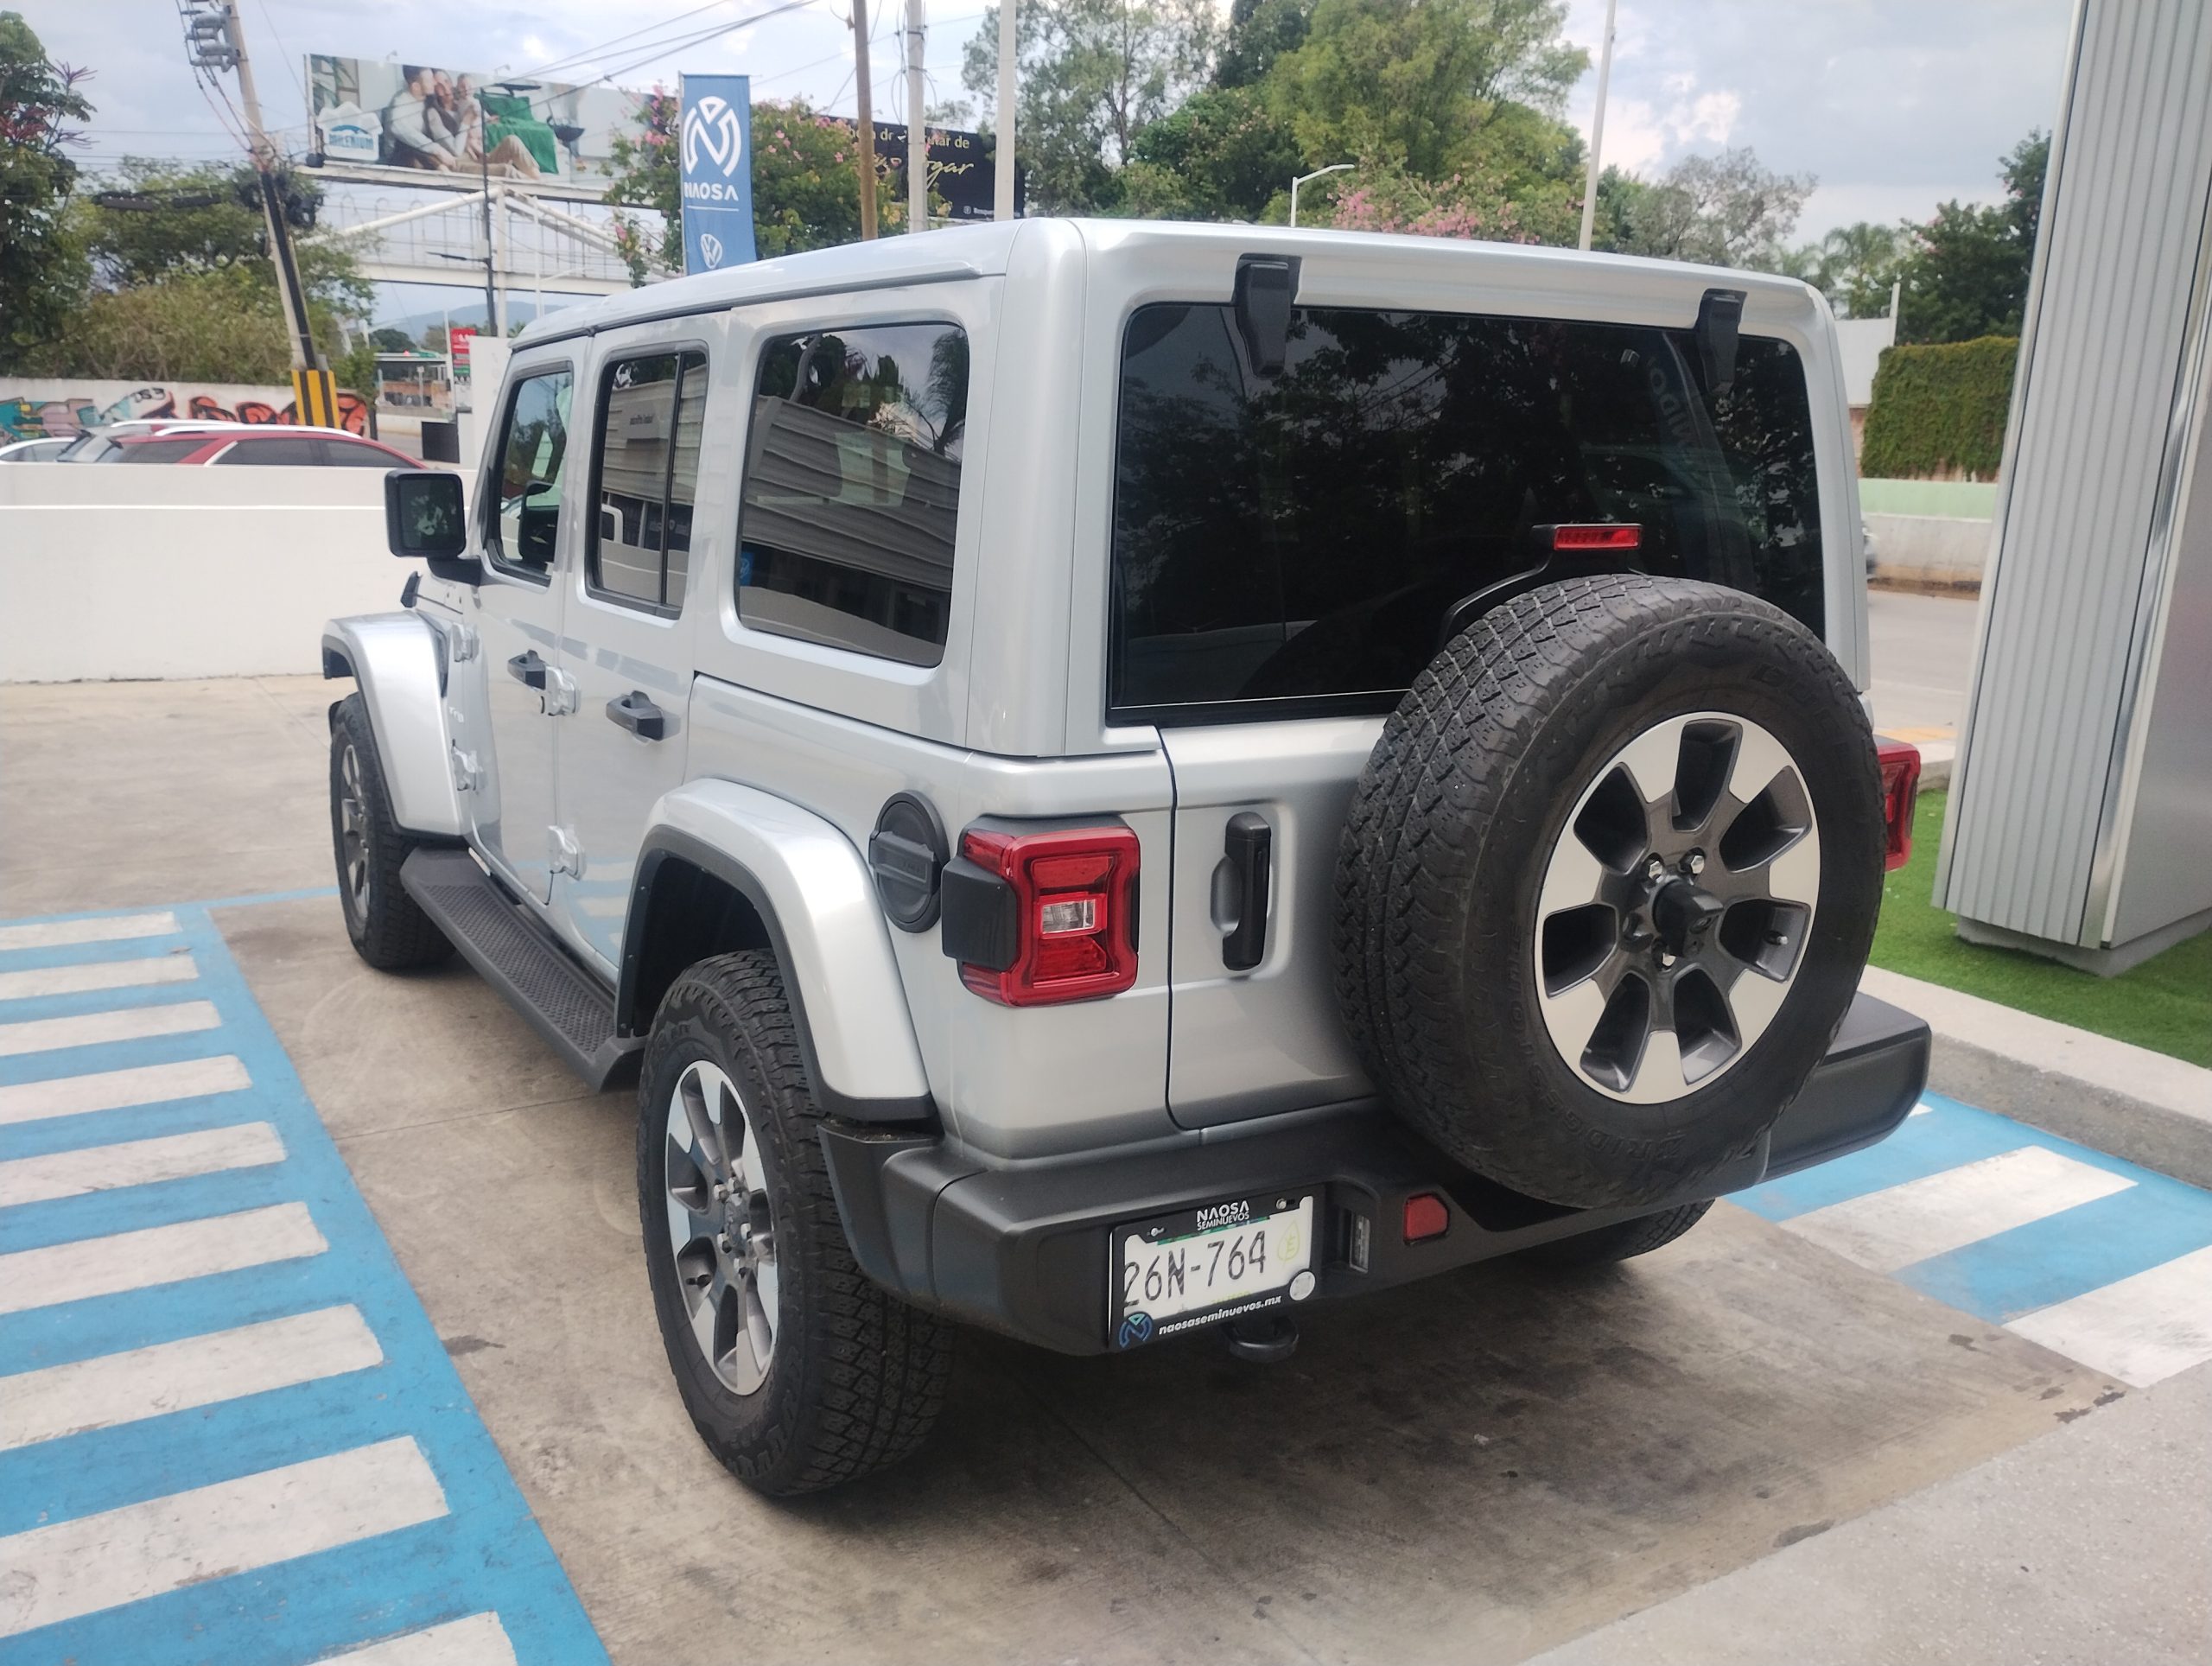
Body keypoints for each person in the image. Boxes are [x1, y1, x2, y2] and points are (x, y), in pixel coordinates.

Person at [384, 67, 461, 170]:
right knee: (408, 146)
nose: (435, 83)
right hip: (400, 156)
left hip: (425, 152)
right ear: (416, 86)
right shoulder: (400, 102)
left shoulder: (428, 98)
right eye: (430, 80)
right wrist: (438, 151)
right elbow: (397, 128)